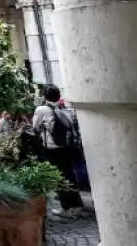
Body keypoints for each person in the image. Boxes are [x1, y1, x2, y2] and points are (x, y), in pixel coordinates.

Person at [32, 84, 84, 213]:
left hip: (51, 148)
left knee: (58, 175)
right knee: (69, 173)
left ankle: (66, 206)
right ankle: (77, 203)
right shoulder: (65, 107)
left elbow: (36, 127)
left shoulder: (41, 110)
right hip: (67, 146)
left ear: (45, 96)